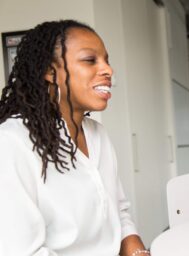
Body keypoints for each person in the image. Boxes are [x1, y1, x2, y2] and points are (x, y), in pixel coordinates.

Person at [0, 20, 149, 256]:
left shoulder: (98, 134)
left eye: (106, 61)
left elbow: (119, 213)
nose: (108, 70)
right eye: (90, 60)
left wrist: (137, 250)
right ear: (50, 71)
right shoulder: (11, 142)